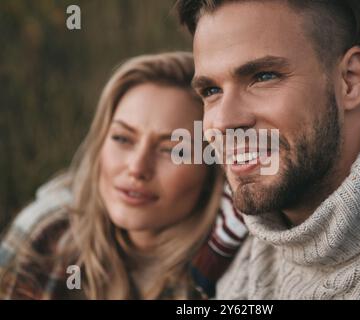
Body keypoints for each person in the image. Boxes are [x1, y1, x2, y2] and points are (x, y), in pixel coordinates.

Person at [176, 0, 360, 299]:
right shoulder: (220, 240)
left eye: (264, 77)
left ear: (350, 80)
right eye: (211, 91)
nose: (225, 121)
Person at [0, 52, 247, 299]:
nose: (137, 168)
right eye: (122, 138)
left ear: (213, 167)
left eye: (171, 150)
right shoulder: (47, 234)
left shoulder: (241, 266)